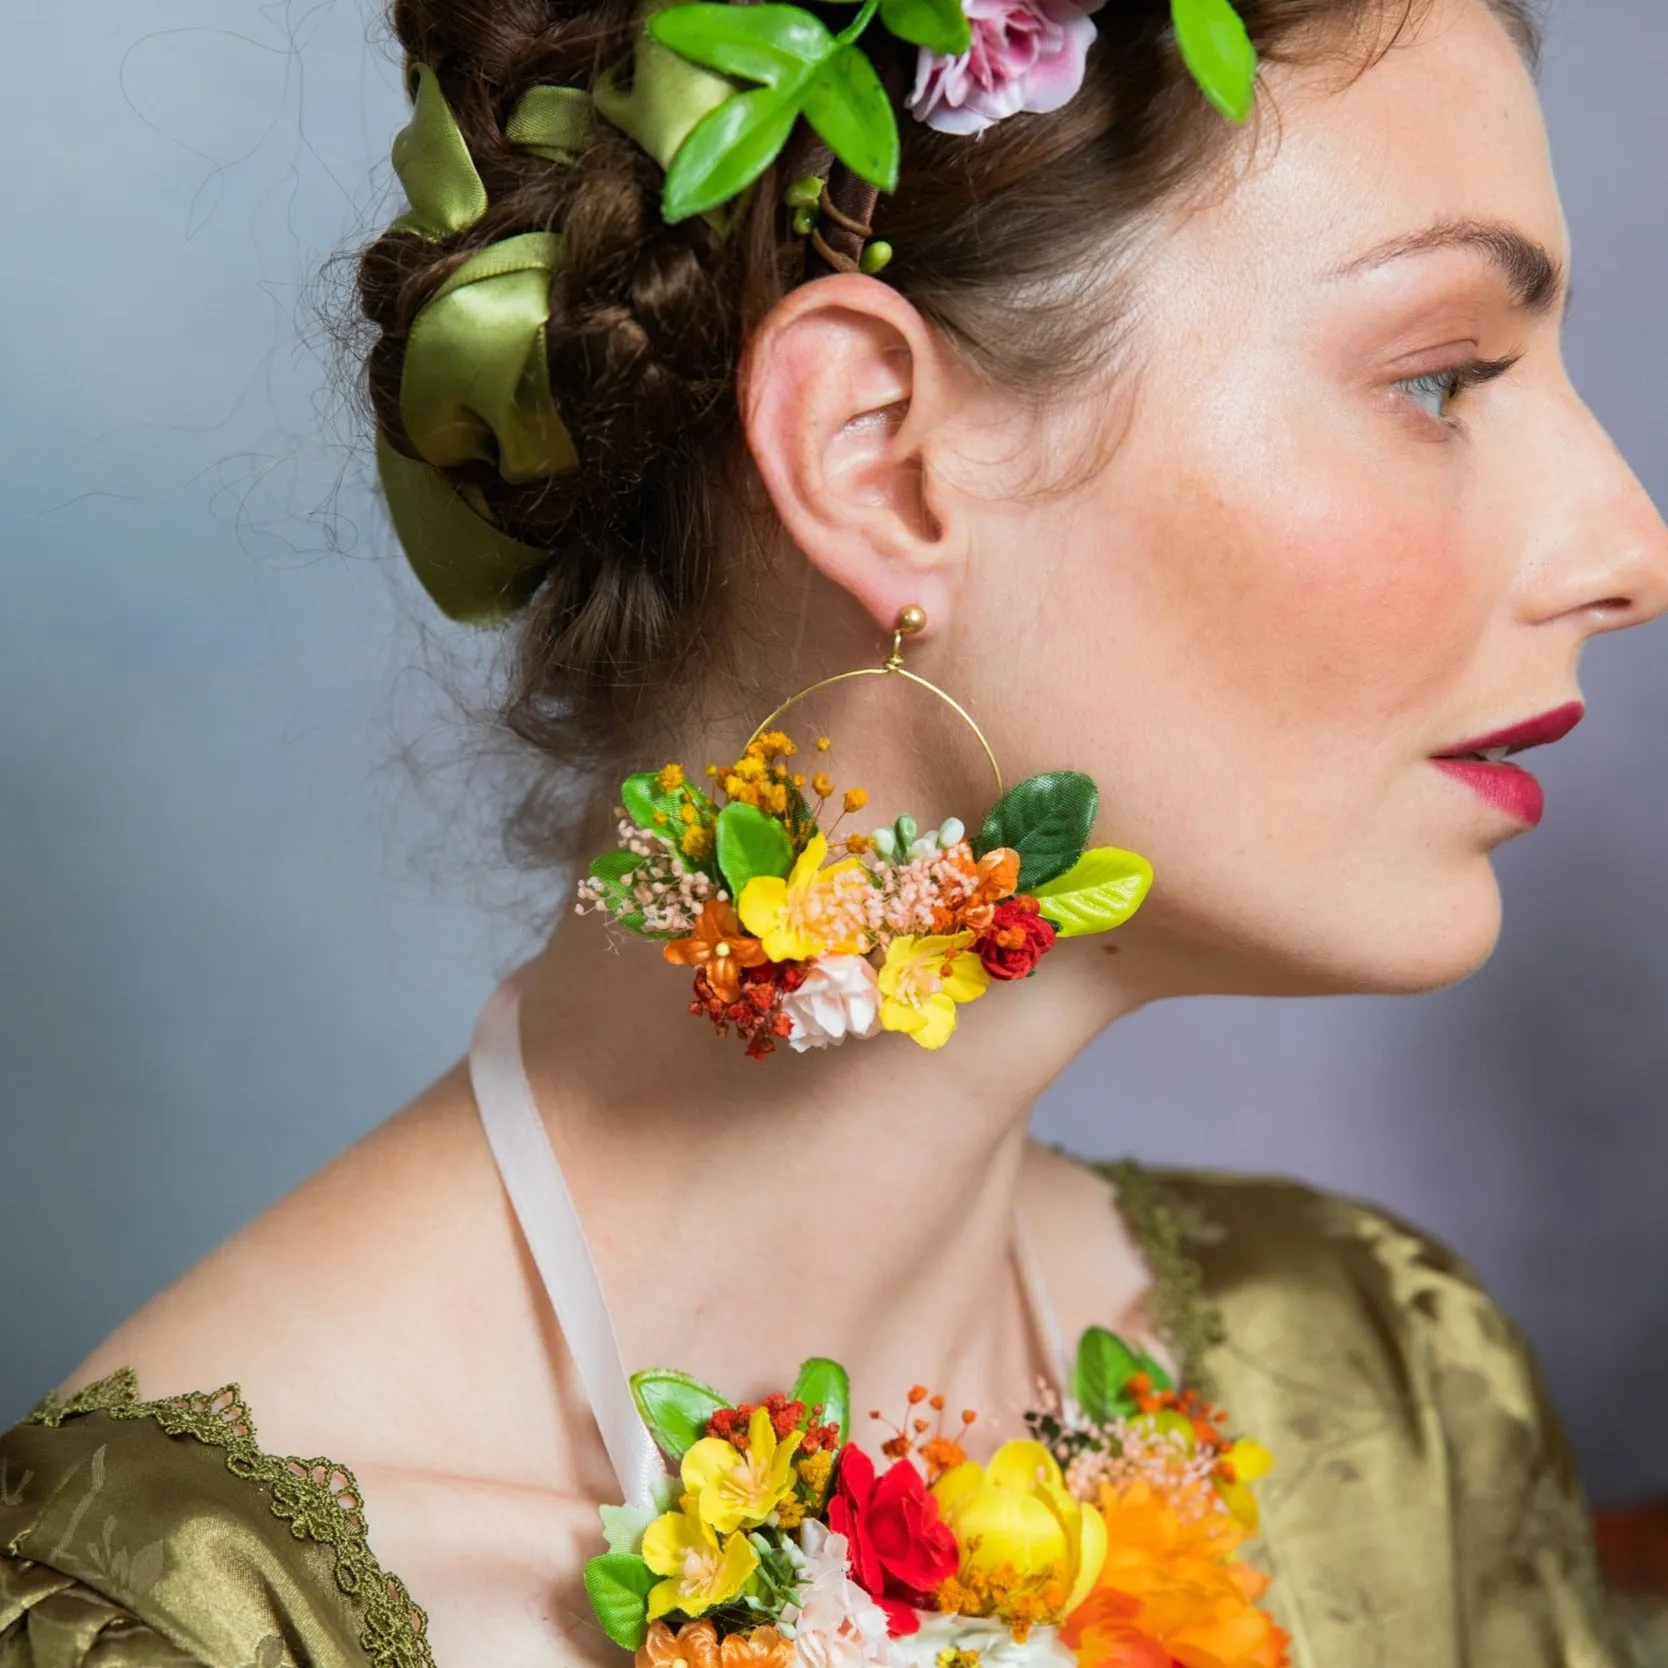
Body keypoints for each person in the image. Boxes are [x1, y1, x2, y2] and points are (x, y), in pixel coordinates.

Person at [4, 0, 1665, 1664]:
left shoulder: (1384, 1407)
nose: (1628, 549)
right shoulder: (179, 1625)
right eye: (1442, 378)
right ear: (877, 461)